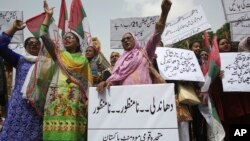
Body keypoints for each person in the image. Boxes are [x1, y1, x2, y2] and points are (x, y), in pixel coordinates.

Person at [26, 1, 92, 140]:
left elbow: (88, 84)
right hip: (56, 98)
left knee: (73, 134)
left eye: (71, 37)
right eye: (65, 37)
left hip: (75, 102)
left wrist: (88, 99)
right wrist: (48, 17)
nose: (67, 38)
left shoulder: (84, 61)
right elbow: (43, 35)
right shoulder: (59, 54)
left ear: (78, 42)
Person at [97, 0, 172, 93]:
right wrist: (105, 83)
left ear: (135, 40)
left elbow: (156, 35)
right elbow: (115, 81)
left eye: (128, 38)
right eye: (123, 40)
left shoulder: (145, 52)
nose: (126, 41)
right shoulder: (120, 62)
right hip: (125, 98)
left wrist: (164, 14)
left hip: (146, 95)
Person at [0, 20, 42, 140]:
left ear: (41, 47)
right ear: (25, 47)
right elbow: (1, 46)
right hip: (19, 104)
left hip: (37, 105)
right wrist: (13, 28)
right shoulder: (19, 60)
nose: (34, 45)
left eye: (36, 44)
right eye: (30, 43)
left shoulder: (46, 62)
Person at [209, 38, 250, 140]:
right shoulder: (215, 62)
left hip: (242, 97)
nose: (226, 44)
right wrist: (217, 76)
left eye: (227, 42)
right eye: (222, 43)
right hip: (228, 100)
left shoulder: (240, 56)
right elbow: (210, 82)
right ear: (218, 47)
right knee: (232, 125)